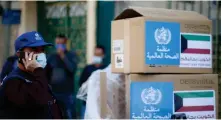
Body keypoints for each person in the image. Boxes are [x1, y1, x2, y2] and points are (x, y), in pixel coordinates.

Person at [0, 31, 62, 119]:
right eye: (34, 50)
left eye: (42, 50)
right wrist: (38, 70)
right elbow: (40, 99)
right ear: (19, 54)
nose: (40, 54)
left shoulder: (37, 76)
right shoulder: (13, 82)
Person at [47, 34, 78, 119]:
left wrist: (63, 57)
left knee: (69, 115)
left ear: (66, 43)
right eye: (58, 43)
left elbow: (72, 69)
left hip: (67, 93)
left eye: (62, 43)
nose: (59, 45)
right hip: (54, 92)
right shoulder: (51, 57)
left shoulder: (71, 55)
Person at [79, 45, 107, 118]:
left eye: (99, 55)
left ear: (103, 55)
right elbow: (81, 84)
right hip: (87, 104)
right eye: (95, 54)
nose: (96, 56)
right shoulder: (87, 69)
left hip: (101, 106)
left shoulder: (106, 69)